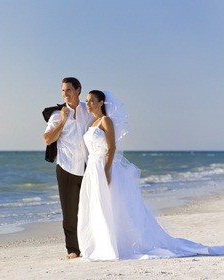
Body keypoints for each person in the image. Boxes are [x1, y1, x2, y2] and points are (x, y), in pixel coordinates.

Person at [77, 90, 224, 260]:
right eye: (86, 101)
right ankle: (100, 244)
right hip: (92, 169)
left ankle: (114, 245)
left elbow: (111, 148)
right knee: (96, 205)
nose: (88, 104)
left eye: (91, 101)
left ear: (101, 102)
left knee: (111, 205)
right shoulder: (91, 124)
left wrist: (107, 171)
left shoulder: (105, 121)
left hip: (103, 167)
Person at [43, 77, 93, 259]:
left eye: (68, 90)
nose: (65, 94)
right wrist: (63, 120)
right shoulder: (57, 115)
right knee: (70, 212)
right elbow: (48, 139)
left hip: (88, 167)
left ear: (78, 90)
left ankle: (90, 244)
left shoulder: (89, 113)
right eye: (63, 91)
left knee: (89, 209)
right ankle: (73, 249)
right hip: (66, 167)